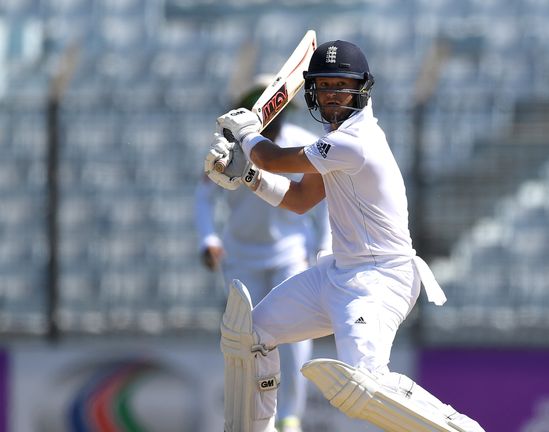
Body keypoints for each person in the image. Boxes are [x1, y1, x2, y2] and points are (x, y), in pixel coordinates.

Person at [204, 40, 485, 432]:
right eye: (324, 86)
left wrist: (249, 135)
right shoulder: (335, 145)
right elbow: (300, 199)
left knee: (365, 386)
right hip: (337, 272)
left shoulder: (354, 141)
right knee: (249, 336)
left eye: (342, 85)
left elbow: (271, 157)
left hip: (380, 279)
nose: (333, 95)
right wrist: (249, 177)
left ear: (362, 89)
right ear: (313, 91)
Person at [195, 76, 330, 432]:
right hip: (241, 257)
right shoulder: (227, 148)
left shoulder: (303, 145)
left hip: (289, 254)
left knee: (296, 335)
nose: (277, 118)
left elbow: (324, 204)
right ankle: (257, 420)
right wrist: (208, 239)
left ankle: (290, 418)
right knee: (248, 338)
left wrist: (324, 247)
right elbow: (203, 196)